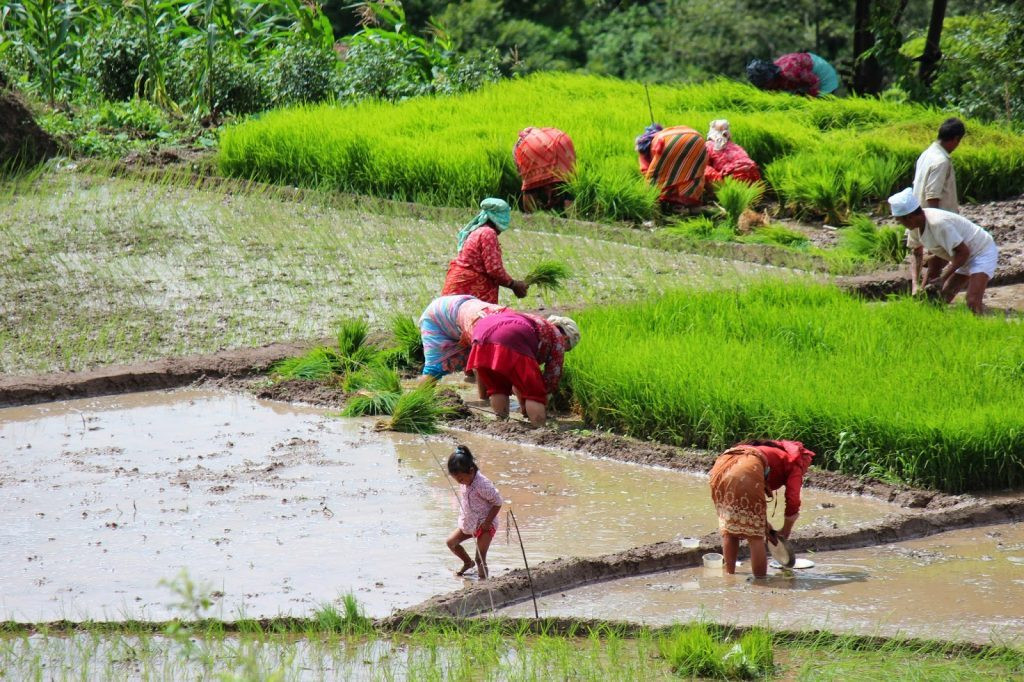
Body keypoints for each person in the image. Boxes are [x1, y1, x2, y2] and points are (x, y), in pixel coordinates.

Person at [709, 439, 815, 579]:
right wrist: (785, 530)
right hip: (747, 468)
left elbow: (749, 502)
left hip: (722, 465)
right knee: (756, 536)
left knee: (730, 529)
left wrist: (765, 524)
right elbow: (793, 499)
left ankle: (730, 576)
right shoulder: (796, 462)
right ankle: (761, 583)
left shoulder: (765, 449)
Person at [888, 187, 998, 315]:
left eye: (901, 221)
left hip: (981, 251)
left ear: (909, 217)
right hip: (959, 255)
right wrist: (915, 285)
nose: (901, 224)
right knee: (938, 300)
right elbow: (916, 253)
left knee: (972, 301)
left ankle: (981, 327)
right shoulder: (915, 227)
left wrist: (943, 278)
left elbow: (964, 252)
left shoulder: (938, 223)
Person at [466, 311, 580, 427]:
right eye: (567, 349)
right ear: (565, 338)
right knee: (536, 392)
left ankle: (501, 424)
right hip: (510, 337)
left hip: (481, 333)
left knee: (497, 387)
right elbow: (552, 376)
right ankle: (540, 430)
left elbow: (518, 379)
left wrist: (524, 405)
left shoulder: (536, 323)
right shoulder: (558, 338)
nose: (563, 351)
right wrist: (541, 398)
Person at [910, 118, 967, 283]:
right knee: (938, 260)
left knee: (924, 254)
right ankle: (929, 296)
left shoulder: (927, 154)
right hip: (933, 217)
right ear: (956, 139)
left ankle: (919, 290)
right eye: (958, 141)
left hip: (918, 213)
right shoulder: (941, 160)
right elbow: (932, 195)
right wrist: (937, 224)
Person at [442, 198, 529, 304]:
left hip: (458, 285)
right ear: (499, 216)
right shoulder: (488, 233)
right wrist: (513, 284)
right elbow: (494, 269)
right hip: (469, 289)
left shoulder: (478, 230)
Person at [419, 295, 509, 380]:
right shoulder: (480, 330)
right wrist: (484, 395)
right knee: (433, 369)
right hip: (436, 317)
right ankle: (421, 395)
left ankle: (472, 377)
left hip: (462, 307)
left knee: (472, 355)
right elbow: (480, 364)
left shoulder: (508, 320)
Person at [446, 445, 503, 579]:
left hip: (485, 523)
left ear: (471, 471)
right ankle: (467, 562)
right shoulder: (466, 481)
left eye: (460, 479)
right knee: (451, 543)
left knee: (480, 559)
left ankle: (483, 585)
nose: (460, 482)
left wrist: (487, 523)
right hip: (470, 521)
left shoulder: (482, 484)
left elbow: (498, 502)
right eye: (456, 480)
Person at [635, 123, 708, 210]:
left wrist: (649, 191)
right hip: (697, 139)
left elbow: (646, 171)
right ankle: (693, 206)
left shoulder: (644, 146)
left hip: (669, 142)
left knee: (654, 178)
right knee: (693, 173)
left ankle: (653, 206)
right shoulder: (665, 131)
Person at [513, 126, 576, 213]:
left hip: (534, 151)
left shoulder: (523, 143)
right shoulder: (544, 134)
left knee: (530, 188)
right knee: (565, 184)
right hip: (563, 144)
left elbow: (519, 168)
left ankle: (530, 218)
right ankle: (572, 218)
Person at [746, 52, 839, 97]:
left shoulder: (789, 72)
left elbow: (815, 81)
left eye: (765, 85)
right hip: (806, 78)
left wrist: (810, 101)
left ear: (771, 78)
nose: (765, 89)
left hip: (823, 76)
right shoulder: (773, 78)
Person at [703, 119, 762, 186]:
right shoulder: (735, 146)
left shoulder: (708, 145)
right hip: (754, 174)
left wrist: (719, 184)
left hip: (735, 176)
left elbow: (705, 167)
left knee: (702, 168)